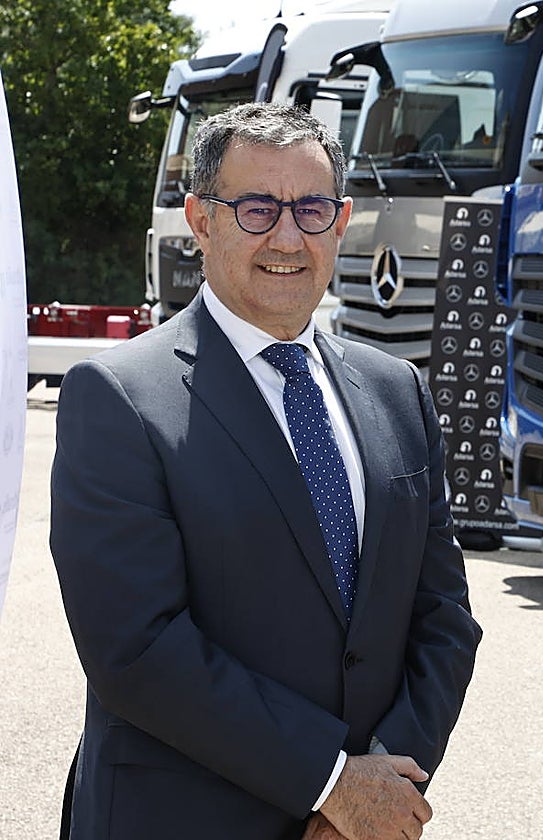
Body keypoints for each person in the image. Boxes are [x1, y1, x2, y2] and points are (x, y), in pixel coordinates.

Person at [50, 102, 482, 840]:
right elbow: (135, 646)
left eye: (311, 209)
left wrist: (382, 787)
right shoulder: (119, 397)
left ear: (341, 221)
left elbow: (443, 618)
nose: (288, 236)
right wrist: (330, 783)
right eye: (257, 208)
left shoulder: (398, 392)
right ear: (201, 219)